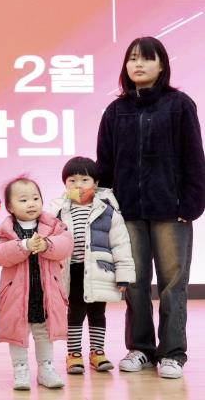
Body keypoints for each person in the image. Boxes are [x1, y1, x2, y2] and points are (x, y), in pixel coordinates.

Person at [96, 37, 205, 379]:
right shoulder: (115, 111)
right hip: (127, 212)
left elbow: (194, 158)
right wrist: (107, 207)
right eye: (132, 59)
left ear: (162, 65)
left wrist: (191, 204)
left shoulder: (179, 105)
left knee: (173, 284)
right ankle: (141, 349)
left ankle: (173, 353)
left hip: (172, 210)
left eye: (146, 58)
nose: (138, 64)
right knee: (135, 281)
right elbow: (105, 166)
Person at [51, 156, 135, 375]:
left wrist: (123, 275)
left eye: (85, 180)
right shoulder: (58, 211)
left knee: (98, 313)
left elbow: (120, 244)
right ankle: (73, 354)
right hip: (72, 271)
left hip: (100, 271)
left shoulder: (108, 211)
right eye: (72, 181)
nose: (78, 185)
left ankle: (97, 352)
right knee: (75, 312)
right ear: (65, 184)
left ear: (96, 184)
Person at [0, 177, 72, 390]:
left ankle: (46, 368)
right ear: (10, 207)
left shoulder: (52, 226)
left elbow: (66, 245)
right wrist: (24, 245)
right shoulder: (5, 230)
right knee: (17, 331)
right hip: (16, 296)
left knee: (44, 331)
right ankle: (20, 369)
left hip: (46, 293)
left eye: (35, 198)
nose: (31, 203)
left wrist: (47, 245)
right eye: (23, 200)